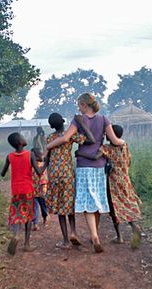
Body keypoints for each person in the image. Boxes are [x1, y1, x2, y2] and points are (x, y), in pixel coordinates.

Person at [46, 93, 124, 253]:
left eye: (79, 105)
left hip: (83, 166)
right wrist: (123, 142)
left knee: (88, 201)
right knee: (96, 199)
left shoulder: (77, 121)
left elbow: (65, 138)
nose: (78, 108)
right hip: (99, 166)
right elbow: (115, 141)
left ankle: (94, 235)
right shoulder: (104, 119)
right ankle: (94, 234)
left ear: (83, 105)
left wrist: (48, 147)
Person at [76, 124, 142, 249]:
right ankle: (133, 226)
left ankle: (119, 237)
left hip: (113, 181)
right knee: (126, 204)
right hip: (125, 179)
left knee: (114, 208)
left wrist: (81, 154)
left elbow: (95, 156)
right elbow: (129, 160)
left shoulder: (107, 148)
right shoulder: (124, 145)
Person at [45, 112, 95, 249]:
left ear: (51, 126)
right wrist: (81, 124)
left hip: (54, 174)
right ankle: (74, 232)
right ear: (63, 121)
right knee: (69, 204)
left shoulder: (49, 137)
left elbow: (47, 159)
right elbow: (91, 140)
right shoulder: (70, 135)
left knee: (60, 208)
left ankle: (66, 241)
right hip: (67, 173)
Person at [0, 132, 45, 255]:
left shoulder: (9, 156)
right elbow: (39, 172)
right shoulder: (29, 154)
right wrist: (46, 163)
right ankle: (26, 244)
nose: (24, 138)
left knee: (16, 213)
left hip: (16, 191)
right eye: (22, 136)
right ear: (20, 142)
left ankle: (15, 235)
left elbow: (2, 173)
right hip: (28, 190)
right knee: (28, 216)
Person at [31, 147, 50, 231]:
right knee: (35, 207)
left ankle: (44, 218)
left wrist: (42, 191)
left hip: (41, 190)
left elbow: (44, 179)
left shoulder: (41, 165)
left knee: (43, 206)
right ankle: (35, 223)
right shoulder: (31, 165)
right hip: (34, 190)